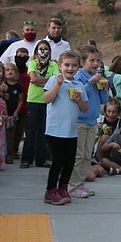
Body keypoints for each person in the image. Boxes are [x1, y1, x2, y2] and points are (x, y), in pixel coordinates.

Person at [42, 50, 87, 204]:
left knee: (69, 161)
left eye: (74, 65)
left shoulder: (79, 84)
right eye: (67, 65)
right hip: (55, 130)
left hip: (71, 131)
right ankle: (50, 190)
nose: (70, 68)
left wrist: (79, 100)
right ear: (60, 66)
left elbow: (85, 108)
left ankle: (63, 187)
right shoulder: (54, 80)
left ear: (78, 67)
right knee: (58, 161)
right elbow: (46, 99)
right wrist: (58, 85)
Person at [67, 46, 108, 198]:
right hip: (80, 121)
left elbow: (104, 100)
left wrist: (104, 88)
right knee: (78, 155)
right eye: (92, 60)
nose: (95, 63)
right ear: (82, 62)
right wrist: (91, 83)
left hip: (92, 121)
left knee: (86, 155)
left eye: (97, 60)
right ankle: (72, 185)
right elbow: (77, 95)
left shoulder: (97, 76)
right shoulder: (79, 76)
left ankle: (80, 183)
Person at [20, 40, 55, 168]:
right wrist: (48, 81)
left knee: (43, 132)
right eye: (41, 49)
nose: (43, 51)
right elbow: (33, 79)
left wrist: (43, 81)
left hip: (46, 101)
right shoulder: (32, 63)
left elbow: (55, 80)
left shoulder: (53, 65)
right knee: (30, 131)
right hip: (33, 100)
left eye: (46, 49)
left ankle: (41, 159)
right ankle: (26, 160)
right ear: (36, 51)